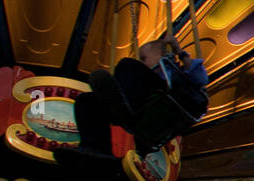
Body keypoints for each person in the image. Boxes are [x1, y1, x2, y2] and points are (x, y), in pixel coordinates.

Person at [74, 33, 209, 159]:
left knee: (127, 64)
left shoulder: (175, 74)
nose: (142, 62)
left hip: (156, 112)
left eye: (144, 58)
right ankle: (95, 148)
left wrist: (179, 51)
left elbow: (200, 79)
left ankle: (122, 110)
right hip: (143, 113)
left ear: (161, 55)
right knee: (86, 100)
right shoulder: (144, 79)